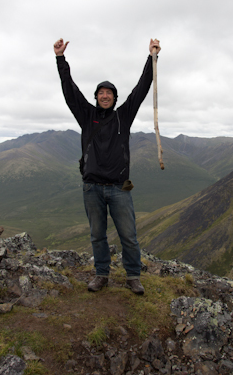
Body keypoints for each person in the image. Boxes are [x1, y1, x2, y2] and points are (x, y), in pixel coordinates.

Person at [54, 38, 161, 295]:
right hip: (91, 187)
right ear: (96, 97)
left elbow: (141, 88)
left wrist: (152, 58)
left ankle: (133, 276)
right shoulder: (86, 116)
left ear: (114, 98)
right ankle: (101, 275)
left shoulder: (123, 116)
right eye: (101, 93)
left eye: (109, 93)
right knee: (97, 236)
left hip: (119, 187)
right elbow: (69, 90)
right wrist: (60, 59)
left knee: (128, 235)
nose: (105, 96)